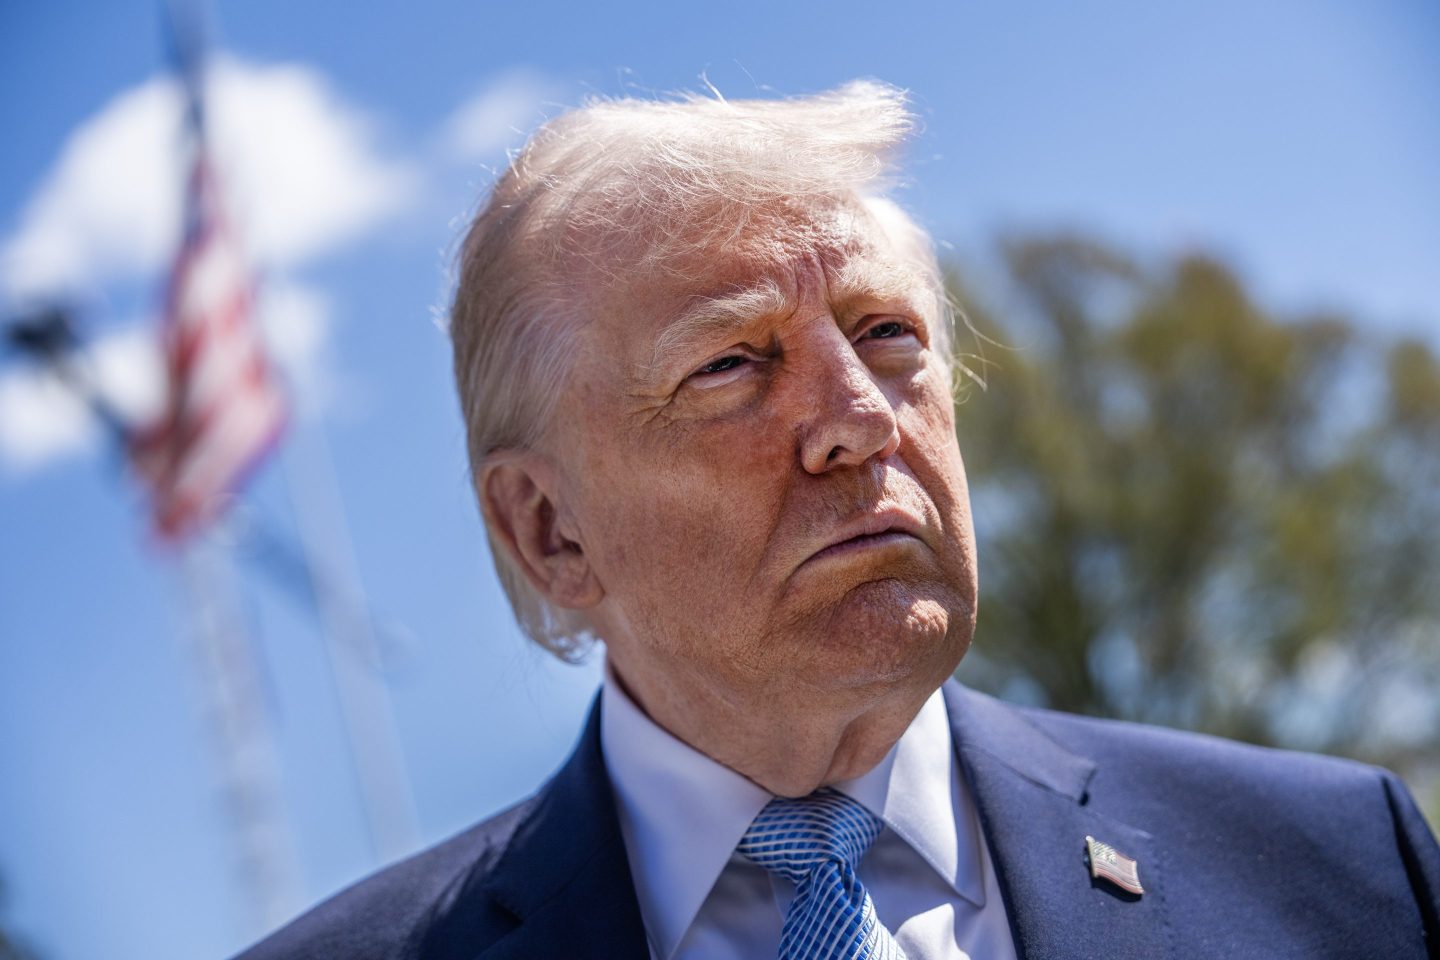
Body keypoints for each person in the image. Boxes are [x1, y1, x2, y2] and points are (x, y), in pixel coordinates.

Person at [234, 81, 1440, 960]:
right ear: (550, 530)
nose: (857, 420)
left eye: (888, 334)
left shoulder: (1338, 864)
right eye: (732, 366)